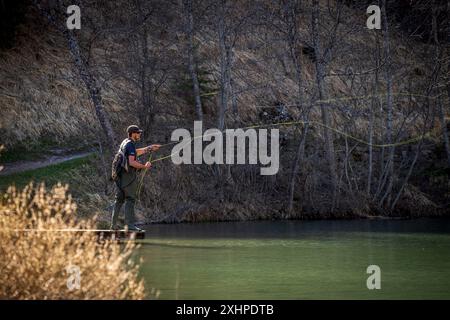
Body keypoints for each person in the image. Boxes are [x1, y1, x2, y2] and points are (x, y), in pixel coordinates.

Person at [110, 125, 161, 231]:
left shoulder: (125, 142)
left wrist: (149, 148)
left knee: (118, 200)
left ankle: (113, 226)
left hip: (119, 175)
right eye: (138, 133)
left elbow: (134, 152)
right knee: (130, 199)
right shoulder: (130, 145)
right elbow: (132, 162)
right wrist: (144, 166)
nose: (139, 134)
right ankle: (130, 226)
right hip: (127, 176)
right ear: (133, 134)